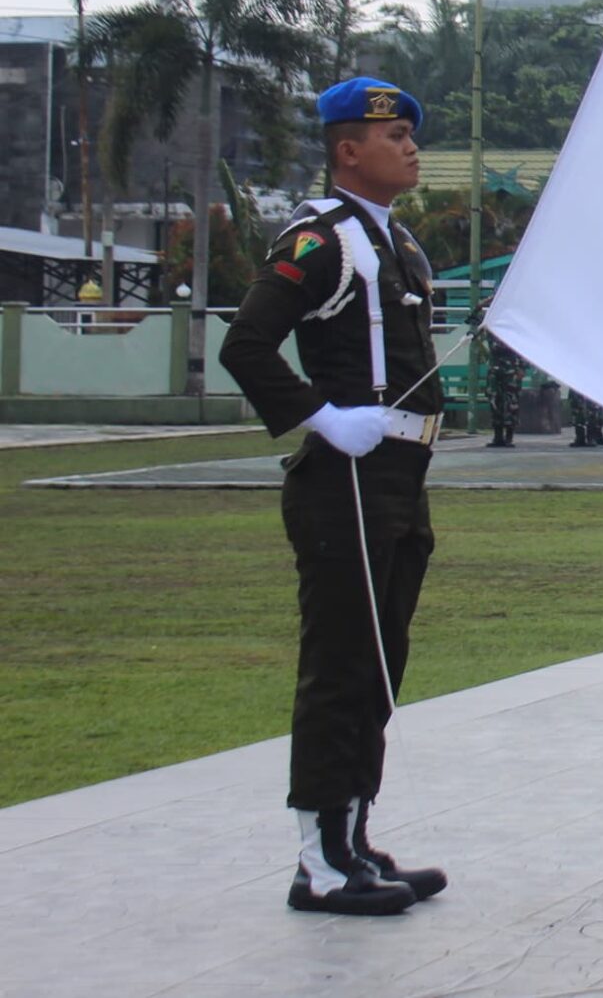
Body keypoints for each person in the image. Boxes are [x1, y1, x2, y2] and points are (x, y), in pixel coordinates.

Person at [218, 78, 448, 917]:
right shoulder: (323, 243)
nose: (411, 147)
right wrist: (320, 415)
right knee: (340, 665)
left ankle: (353, 836)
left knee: (381, 663)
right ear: (348, 150)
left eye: (412, 136)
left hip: (400, 477)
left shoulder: (400, 245)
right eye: (393, 136)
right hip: (346, 474)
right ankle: (319, 861)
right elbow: (246, 344)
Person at [482, 332, 526, 447]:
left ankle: (509, 437)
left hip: (511, 370)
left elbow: (522, 347)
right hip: (495, 370)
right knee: (495, 402)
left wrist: (521, 367)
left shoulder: (513, 329)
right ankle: (498, 437)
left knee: (510, 403)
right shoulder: (491, 329)